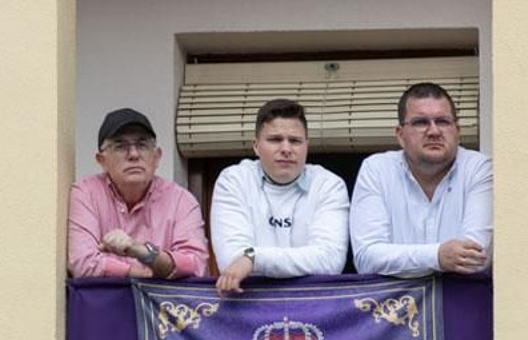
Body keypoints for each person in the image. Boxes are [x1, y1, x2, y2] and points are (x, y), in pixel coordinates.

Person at [350, 82, 492, 277]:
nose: (434, 131)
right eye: (420, 122)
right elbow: (367, 258)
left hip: (462, 295)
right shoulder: (377, 170)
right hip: (397, 297)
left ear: (457, 131)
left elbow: (475, 257)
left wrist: (407, 262)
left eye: (442, 121)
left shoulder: (478, 169)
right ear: (400, 135)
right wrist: (437, 256)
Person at [210, 98, 349, 295]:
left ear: (307, 146)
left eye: (295, 141)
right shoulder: (233, 181)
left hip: (313, 302)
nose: (286, 149)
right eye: (275, 140)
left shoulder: (329, 185)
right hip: (248, 301)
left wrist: (253, 258)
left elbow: (331, 261)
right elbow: (231, 261)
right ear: (256, 146)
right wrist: (300, 263)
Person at [67, 108, 207, 279]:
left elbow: (196, 265)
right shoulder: (86, 193)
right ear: (102, 160)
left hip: (158, 298)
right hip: (107, 296)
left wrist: (139, 251)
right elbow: (81, 262)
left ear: (156, 157)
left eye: (142, 145)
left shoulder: (181, 200)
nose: (133, 154)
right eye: (120, 146)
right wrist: (138, 274)